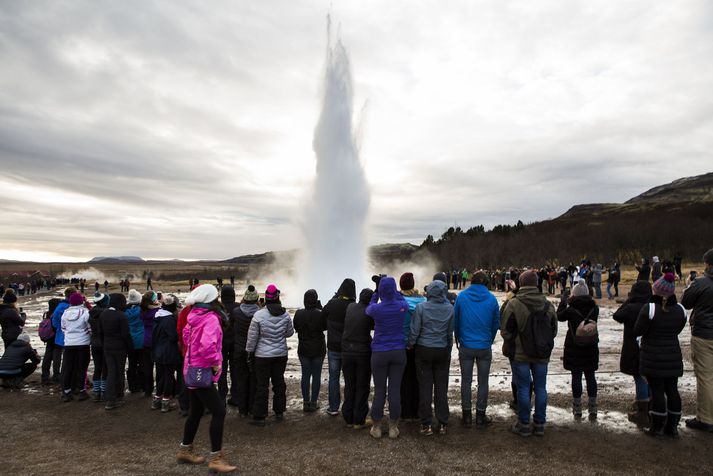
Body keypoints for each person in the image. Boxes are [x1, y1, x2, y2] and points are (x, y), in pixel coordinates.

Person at [177, 284, 236, 473]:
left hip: (191, 369)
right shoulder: (210, 318)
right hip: (202, 372)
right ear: (211, 300)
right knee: (219, 411)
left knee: (196, 410)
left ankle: (185, 450)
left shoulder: (193, 315)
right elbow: (207, 345)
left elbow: (186, 337)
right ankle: (216, 458)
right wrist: (215, 363)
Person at [500, 270, 558, 437]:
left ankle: (524, 424)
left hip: (520, 354)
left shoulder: (514, 303)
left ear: (521, 283)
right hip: (542, 355)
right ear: (537, 283)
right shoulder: (548, 304)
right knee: (541, 387)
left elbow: (505, 331)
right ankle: (539, 423)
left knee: (523, 388)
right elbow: (553, 330)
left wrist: (516, 341)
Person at [635, 273, 687, 438]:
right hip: (672, 355)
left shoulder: (650, 309)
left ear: (656, 290)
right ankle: (672, 427)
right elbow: (678, 329)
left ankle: (657, 427)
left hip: (653, 355)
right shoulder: (680, 310)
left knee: (657, 390)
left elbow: (638, 330)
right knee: (672, 389)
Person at [453, 271, 500, 428]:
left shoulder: (461, 297)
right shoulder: (492, 299)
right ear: (486, 283)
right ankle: (480, 416)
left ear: (471, 282)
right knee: (483, 382)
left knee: (466, 381)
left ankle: (466, 416)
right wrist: (489, 339)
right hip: (484, 346)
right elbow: (495, 324)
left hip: (466, 344)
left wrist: (459, 339)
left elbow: (456, 322)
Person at [408, 279, 454, 436]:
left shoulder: (421, 307)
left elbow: (415, 330)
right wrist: (448, 348)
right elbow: (449, 333)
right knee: (441, 388)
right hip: (441, 349)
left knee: (425, 387)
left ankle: (426, 424)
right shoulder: (449, 308)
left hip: (424, 349)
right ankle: (443, 423)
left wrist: (411, 344)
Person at [366, 276, 408, 439]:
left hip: (379, 353)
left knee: (379, 390)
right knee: (394, 390)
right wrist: (394, 292)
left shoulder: (376, 309)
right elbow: (401, 298)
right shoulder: (402, 307)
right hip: (398, 351)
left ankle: (376, 427)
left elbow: (368, 308)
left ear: (382, 291)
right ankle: (393, 427)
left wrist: (376, 293)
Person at [246, 284, 294, 426]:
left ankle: (260, 416)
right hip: (280, 355)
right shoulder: (285, 315)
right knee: (279, 383)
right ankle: (279, 412)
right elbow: (289, 333)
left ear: (266, 298)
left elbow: (252, 337)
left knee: (262, 385)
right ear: (277, 298)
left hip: (262, 356)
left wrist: (249, 352)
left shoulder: (258, 315)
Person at [557, 279, 600, 419]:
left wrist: (563, 301)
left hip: (574, 346)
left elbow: (559, 316)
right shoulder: (595, 309)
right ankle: (593, 406)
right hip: (591, 345)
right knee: (590, 376)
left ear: (573, 295)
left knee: (576, 376)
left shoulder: (570, 310)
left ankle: (577, 407)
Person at [612, 281, 653, 426]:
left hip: (633, 348)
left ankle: (643, 413)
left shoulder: (630, 308)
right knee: (649, 378)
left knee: (639, 377)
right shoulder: (653, 307)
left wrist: (629, 300)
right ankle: (650, 409)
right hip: (650, 347)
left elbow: (616, 315)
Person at [681, 248, 713, 433]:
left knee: (705, 377)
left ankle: (706, 418)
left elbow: (685, 302)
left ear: (708, 264)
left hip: (704, 335)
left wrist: (689, 285)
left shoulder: (701, 283)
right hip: (705, 333)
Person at [322, 278, 356, 416]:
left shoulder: (332, 304)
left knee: (333, 377)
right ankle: (349, 407)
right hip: (348, 348)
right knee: (349, 378)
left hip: (333, 348)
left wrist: (334, 297)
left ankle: (334, 407)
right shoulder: (353, 306)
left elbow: (322, 317)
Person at [341, 288, 374, 429]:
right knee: (362, 386)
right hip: (362, 352)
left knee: (349, 385)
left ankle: (348, 418)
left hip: (347, 351)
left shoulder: (350, 306)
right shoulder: (370, 311)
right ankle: (359, 420)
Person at [292, 289, 326, 412]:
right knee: (316, 376)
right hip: (318, 349)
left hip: (303, 349)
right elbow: (325, 326)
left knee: (305, 375)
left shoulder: (298, 313)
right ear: (316, 300)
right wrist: (320, 309)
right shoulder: (320, 313)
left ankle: (306, 402)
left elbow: (295, 326)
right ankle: (313, 402)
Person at [398, 272, 426, 422]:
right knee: (416, 378)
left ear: (401, 285)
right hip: (419, 344)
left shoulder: (398, 303)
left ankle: (404, 410)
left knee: (403, 379)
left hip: (401, 344)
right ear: (413, 285)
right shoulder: (423, 301)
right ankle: (415, 411)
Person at [99, 293, 133, 410]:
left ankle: (109, 399)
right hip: (120, 348)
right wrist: (130, 347)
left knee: (111, 372)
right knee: (119, 372)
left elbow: (101, 332)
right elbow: (125, 335)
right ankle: (118, 397)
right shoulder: (121, 316)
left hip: (107, 347)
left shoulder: (103, 314)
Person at [231, 285, 260, 416]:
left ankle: (242, 410)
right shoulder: (259, 313)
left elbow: (230, 327)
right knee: (254, 379)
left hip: (239, 349)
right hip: (255, 351)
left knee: (241, 379)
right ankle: (252, 407)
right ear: (256, 299)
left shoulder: (236, 312)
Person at [60, 292, 92, 402]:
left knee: (68, 367)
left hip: (69, 344)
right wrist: (87, 335)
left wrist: (69, 336)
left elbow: (63, 328)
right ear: (81, 301)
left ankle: (67, 392)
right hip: (83, 343)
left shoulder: (65, 313)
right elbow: (89, 327)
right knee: (82, 368)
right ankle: (82, 391)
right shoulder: (85, 312)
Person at [152, 294, 181, 412]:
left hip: (158, 351)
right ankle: (166, 402)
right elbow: (173, 337)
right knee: (168, 377)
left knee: (162, 377)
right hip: (168, 352)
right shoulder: (169, 319)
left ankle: (156, 400)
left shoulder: (157, 316)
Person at [217, 286, 238, 405]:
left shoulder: (218, 308)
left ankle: (221, 397)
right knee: (235, 370)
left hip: (221, 343)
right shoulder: (238, 307)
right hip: (235, 343)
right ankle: (235, 396)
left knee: (222, 370)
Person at [88, 292, 110, 402]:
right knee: (105, 368)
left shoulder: (90, 313)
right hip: (104, 343)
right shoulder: (106, 313)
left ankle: (97, 393)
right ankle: (104, 392)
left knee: (97, 368)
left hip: (94, 343)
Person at [141, 292, 160, 400]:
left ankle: (148, 390)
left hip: (146, 340)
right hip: (156, 341)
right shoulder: (156, 312)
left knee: (147, 367)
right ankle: (159, 390)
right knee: (159, 367)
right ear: (153, 300)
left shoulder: (143, 311)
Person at [125, 289, 145, 393]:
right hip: (141, 341)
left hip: (130, 341)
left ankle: (132, 385)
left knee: (131, 363)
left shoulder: (125, 312)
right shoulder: (142, 311)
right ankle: (141, 384)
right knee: (142, 363)